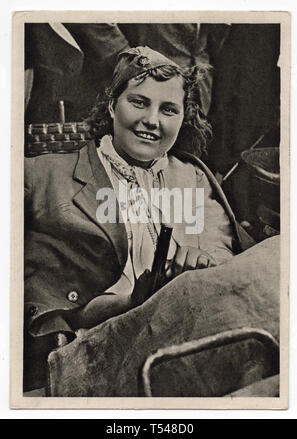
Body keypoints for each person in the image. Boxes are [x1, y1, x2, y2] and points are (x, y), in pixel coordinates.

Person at [24, 46, 254, 391]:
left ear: (183, 118)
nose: (152, 121)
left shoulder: (193, 177)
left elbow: (225, 259)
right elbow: (48, 301)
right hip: (98, 360)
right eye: (139, 102)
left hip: (198, 344)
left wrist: (203, 264)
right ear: (112, 103)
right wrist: (134, 301)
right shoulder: (43, 178)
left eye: (169, 109)